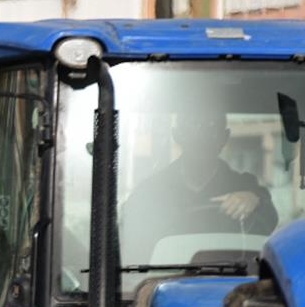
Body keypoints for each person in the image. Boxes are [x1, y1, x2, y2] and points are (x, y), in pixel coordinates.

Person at [119, 112, 278, 263]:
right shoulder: (149, 192)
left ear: (224, 138)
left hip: (231, 285)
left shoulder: (245, 186)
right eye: (193, 127)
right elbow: (129, 252)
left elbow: (269, 219)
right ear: (177, 135)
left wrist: (254, 201)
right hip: (161, 283)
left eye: (211, 128)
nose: (202, 137)